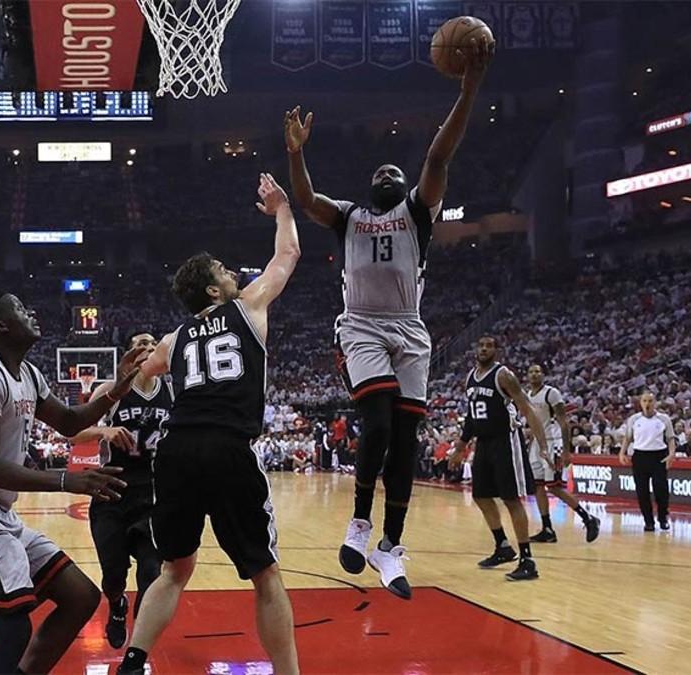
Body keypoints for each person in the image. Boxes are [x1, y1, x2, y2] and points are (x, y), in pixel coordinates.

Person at [285, 35, 494, 599]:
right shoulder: (349, 215)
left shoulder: (417, 213)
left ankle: (390, 546)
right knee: (376, 425)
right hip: (361, 324)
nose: (385, 173)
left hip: (408, 327)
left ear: (402, 185)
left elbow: (438, 155)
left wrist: (470, 88)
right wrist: (297, 153)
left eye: (392, 170)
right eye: (377, 170)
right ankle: (358, 523)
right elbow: (305, 201)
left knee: (406, 444)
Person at [118, 173, 301, 675]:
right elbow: (287, 257)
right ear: (213, 288)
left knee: (174, 569)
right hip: (226, 445)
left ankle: (133, 662)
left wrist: (128, 368)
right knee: (265, 574)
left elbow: (137, 382)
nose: (232, 272)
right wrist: (282, 210)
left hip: (176, 450)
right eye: (223, 269)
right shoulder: (247, 307)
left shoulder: (174, 339)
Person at [0, 288, 147, 674]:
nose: (30, 311)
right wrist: (66, 480)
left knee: (80, 597)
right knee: (11, 629)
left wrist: (117, 388)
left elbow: (69, 423)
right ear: (1, 326)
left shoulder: (28, 373)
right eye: (18, 309)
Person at [72, 331, 171, 649]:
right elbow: (73, 434)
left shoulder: (172, 391)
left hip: (153, 494)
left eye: (152, 345)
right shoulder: (110, 391)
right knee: (113, 577)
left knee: (152, 573)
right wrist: (104, 429)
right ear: (129, 355)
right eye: (140, 344)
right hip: (112, 491)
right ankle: (116, 606)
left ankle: (139, 647)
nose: (147, 349)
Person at [449, 337, 548, 582]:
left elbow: (526, 409)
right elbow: (471, 417)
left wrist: (543, 444)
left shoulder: (504, 375)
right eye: (480, 345)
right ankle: (503, 546)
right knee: (481, 496)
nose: (483, 348)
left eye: (489, 346)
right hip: (483, 442)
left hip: (505, 440)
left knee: (511, 499)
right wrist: (460, 446)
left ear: (497, 351)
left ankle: (528, 560)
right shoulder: (470, 377)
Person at [524, 365, 601, 544]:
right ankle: (547, 529)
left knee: (554, 487)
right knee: (537, 486)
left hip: (555, 443)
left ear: (543, 375)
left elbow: (564, 422)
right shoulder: (527, 395)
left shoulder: (552, 393)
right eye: (531, 372)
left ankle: (588, 518)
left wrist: (566, 450)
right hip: (538, 444)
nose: (534, 374)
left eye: (538, 371)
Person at [620, 392, 676, 532]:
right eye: (644, 400)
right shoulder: (634, 419)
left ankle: (663, 517)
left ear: (655, 402)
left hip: (659, 456)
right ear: (640, 403)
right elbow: (627, 438)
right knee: (642, 491)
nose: (647, 403)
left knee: (661, 490)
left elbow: (670, 438)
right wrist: (622, 452)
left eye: (650, 400)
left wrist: (672, 454)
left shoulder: (663, 419)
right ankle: (648, 521)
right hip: (640, 456)